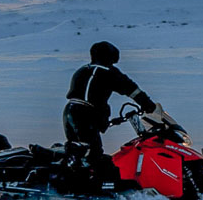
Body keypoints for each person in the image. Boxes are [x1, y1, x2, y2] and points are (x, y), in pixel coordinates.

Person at [63, 41, 157, 181]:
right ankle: (97, 190)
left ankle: (74, 181)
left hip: (69, 112)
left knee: (79, 150)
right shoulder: (108, 72)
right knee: (94, 153)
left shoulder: (82, 70)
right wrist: (148, 105)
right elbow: (131, 89)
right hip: (84, 114)